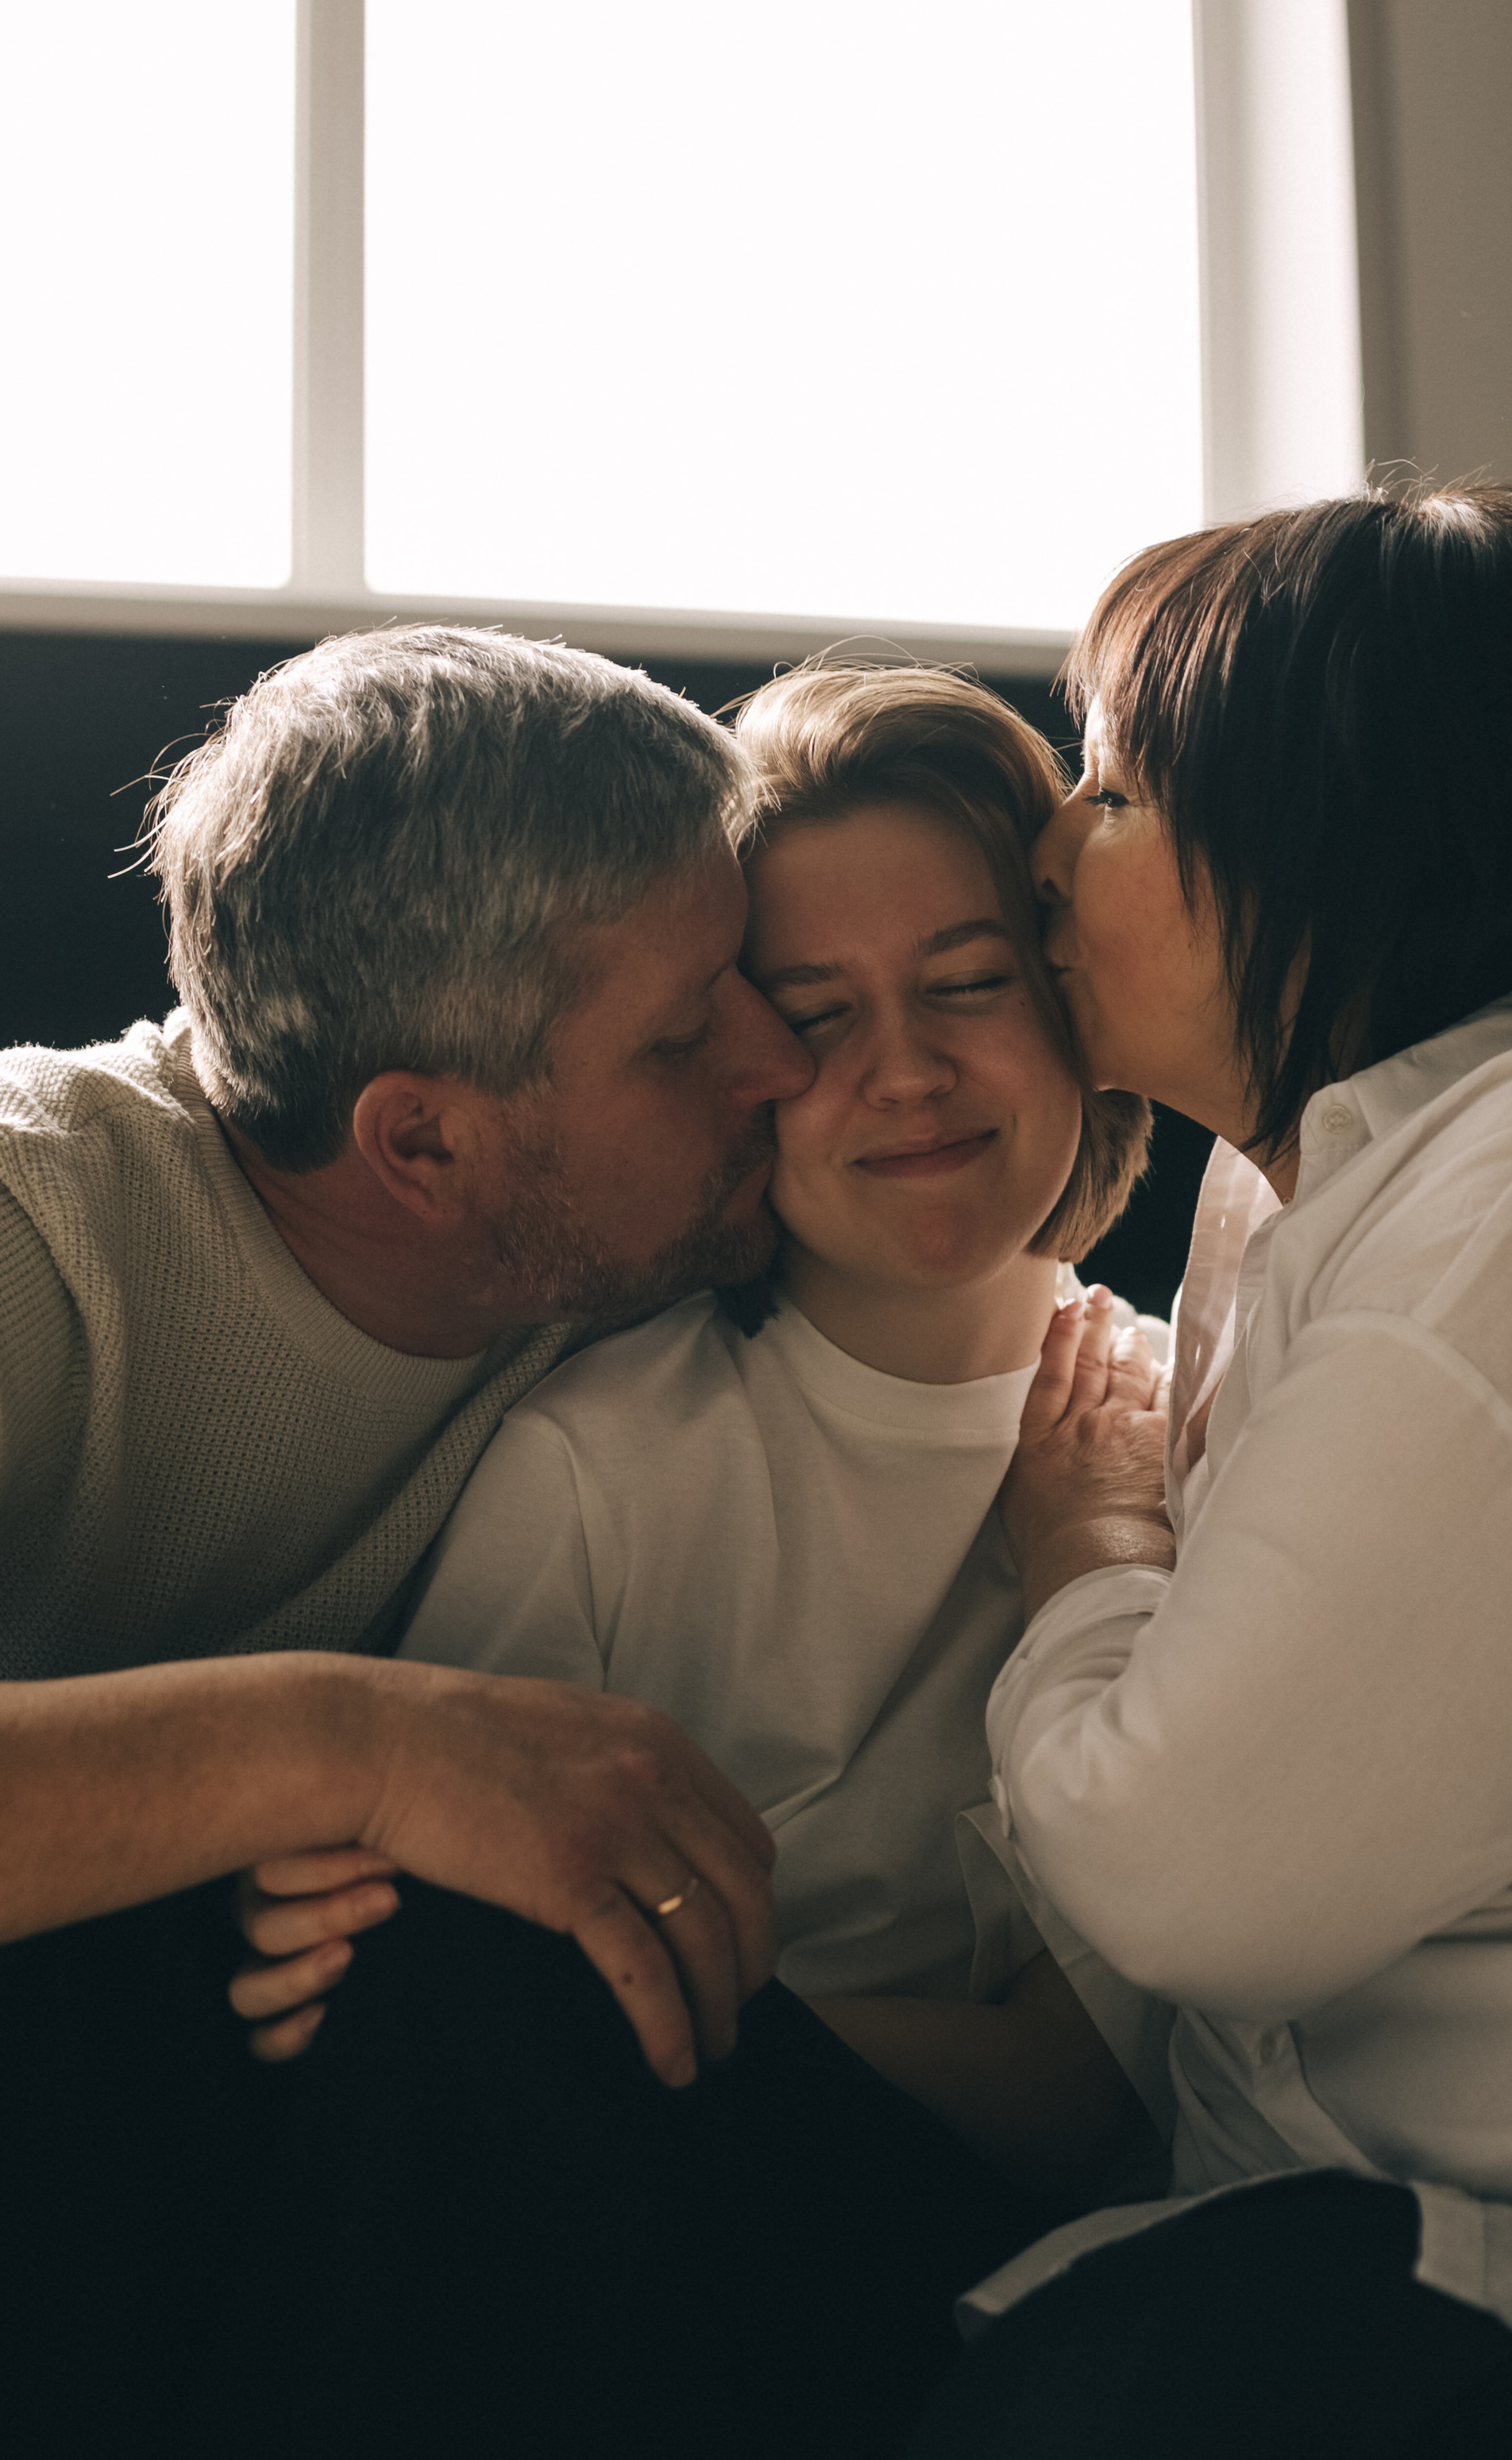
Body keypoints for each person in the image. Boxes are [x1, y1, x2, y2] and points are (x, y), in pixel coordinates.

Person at [0, 626, 804, 2432]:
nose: (775, 1057)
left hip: (220, 2191)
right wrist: (352, 1747)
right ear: (420, 1148)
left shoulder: (635, 1249)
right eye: (683, 1035)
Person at [908, 484, 1512, 2459]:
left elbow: (1177, 1874)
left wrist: (1092, 1548)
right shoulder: (1315, 1176)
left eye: (1112, 792)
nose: (1044, 855)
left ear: (1329, 833)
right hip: (1397, 2208)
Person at [242, 663, 1164, 2189]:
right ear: (728, 1064)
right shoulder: (595, 1470)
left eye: (969, 981)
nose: (907, 1072)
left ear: (1074, 992)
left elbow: (1111, 2086)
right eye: (815, 1014)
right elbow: (463, 2043)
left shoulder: (1199, 1422)